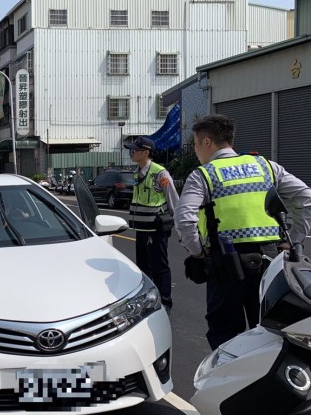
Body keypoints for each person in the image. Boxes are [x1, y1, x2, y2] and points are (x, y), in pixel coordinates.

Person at [175, 114, 311, 350]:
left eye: (196, 144)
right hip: (271, 264)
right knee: (272, 332)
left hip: (225, 265)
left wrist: (198, 252)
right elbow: (306, 199)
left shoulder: (204, 174)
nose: (196, 151)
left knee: (225, 334)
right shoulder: (266, 167)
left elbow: (184, 218)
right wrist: (294, 240)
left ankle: (229, 382)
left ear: (207, 142)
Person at [124, 136, 179, 314]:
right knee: (143, 267)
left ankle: (165, 302)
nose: (132, 152)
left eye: (135, 149)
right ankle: (148, 300)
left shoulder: (159, 173)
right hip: (141, 229)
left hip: (156, 230)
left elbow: (173, 201)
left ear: (146, 152)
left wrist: (179, 226)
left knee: (160, 267)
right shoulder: (137, 173)